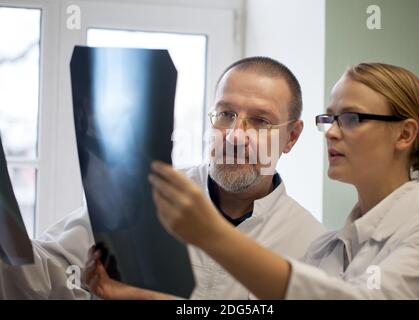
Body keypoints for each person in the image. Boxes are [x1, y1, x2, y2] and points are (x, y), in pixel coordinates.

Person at [88, 62, 419, 299]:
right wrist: (137, 297)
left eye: (351, 119)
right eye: (331, 118)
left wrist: (210, 234)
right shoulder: (328, 249)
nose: (331, 134)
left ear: (404, 135)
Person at [0, 57, 325, 299]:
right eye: (226, 114)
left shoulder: (313, 247)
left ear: (292, 136)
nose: (234, 137)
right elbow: (39, 274)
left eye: (260, 121)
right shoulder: (143, 198)